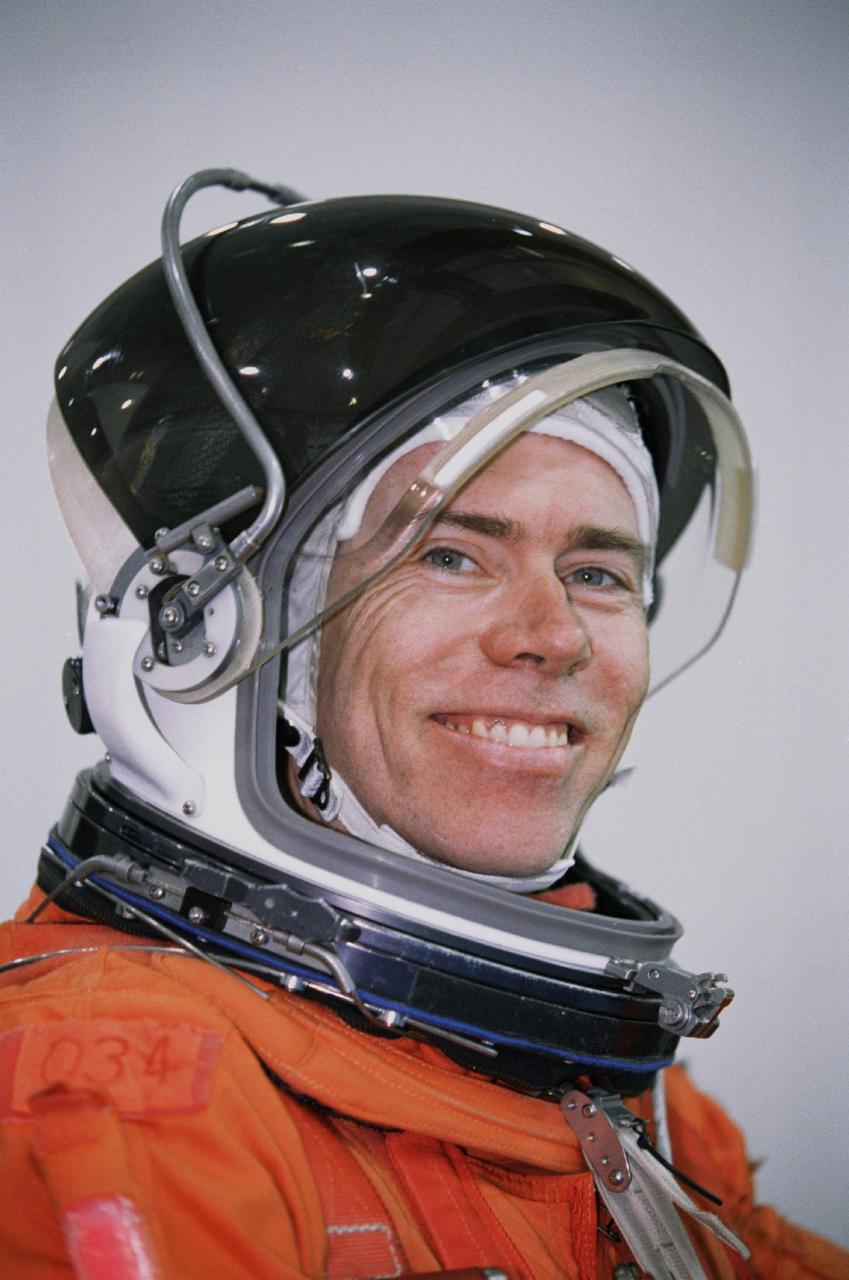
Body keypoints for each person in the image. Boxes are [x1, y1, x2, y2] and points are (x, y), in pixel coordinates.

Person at [0, 168, 845, 1280]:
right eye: (451, 554)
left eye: (596, 570)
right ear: (230, 636)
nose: (554, 637)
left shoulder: (631, 1097)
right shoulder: (123, 1087)